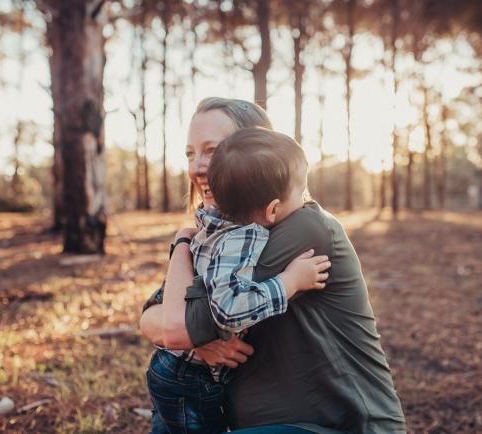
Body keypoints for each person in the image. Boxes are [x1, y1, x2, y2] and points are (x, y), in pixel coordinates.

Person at [140, 97, 406, 433]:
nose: (197, 167)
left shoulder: (301, 227)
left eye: (214, 150)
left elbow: (175, 328)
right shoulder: (225, 235)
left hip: (335, 426)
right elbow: (152, 317)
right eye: (191, 154)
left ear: (254, 148)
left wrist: (181, 244)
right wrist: (200, 337)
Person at [144, 127, 331, 433]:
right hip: (188, 375)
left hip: (178, 369)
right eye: (301, 194)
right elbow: (228, 309)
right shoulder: (241, 236)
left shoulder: (214, 220)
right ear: (272, 208)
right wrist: (290, 281)